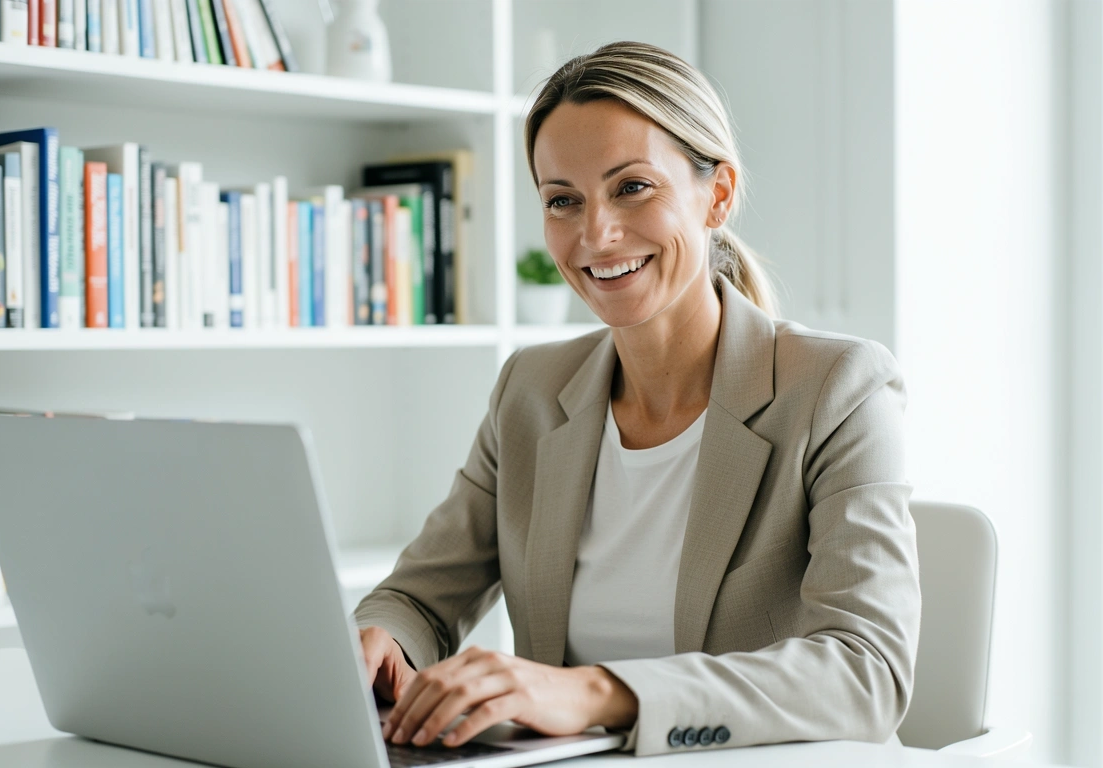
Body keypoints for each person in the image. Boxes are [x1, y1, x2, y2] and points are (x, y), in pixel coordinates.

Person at [354, 40, 920, 757]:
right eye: (563, 201)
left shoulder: (838, 389)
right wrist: (380, 637)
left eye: (632, 188)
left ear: (717, 195)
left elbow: (867, 671)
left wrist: (596, 692)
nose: (596, 235)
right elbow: (417, 597)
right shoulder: (530, 391)